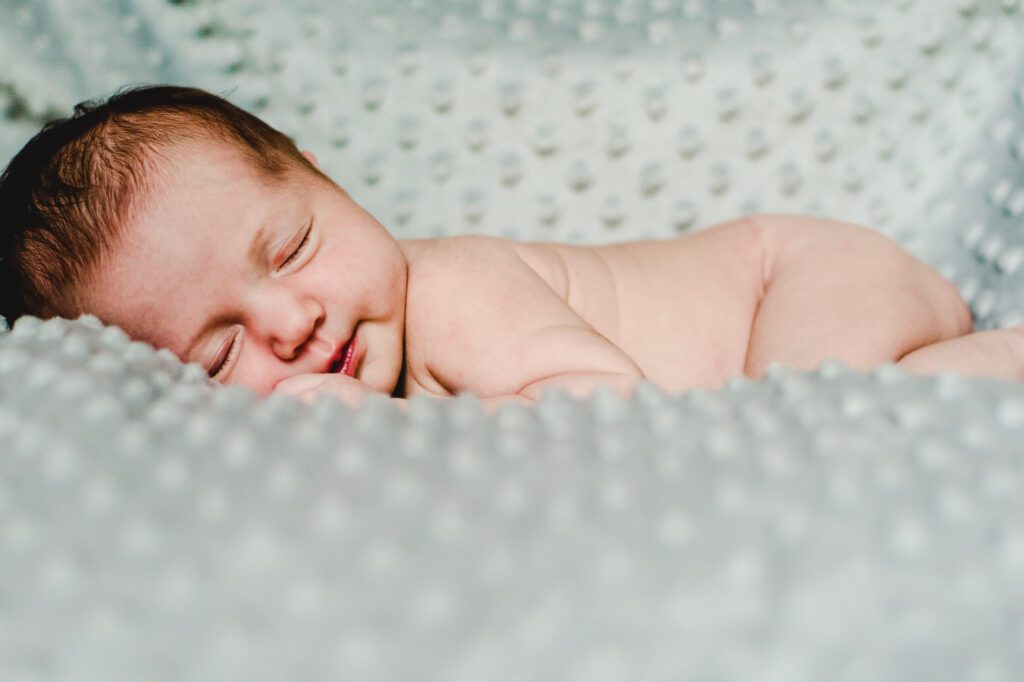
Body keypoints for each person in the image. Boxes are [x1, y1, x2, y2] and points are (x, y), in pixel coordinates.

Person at [1, 85, 1020, 415]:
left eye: (296, 245)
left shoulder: (449, 290)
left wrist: (358, 432)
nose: (290, 321)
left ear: (330, 181)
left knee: (825, 423)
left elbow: (604, 418)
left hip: (793, 280)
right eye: (217, 356)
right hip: (803, 313)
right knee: (867, 405)